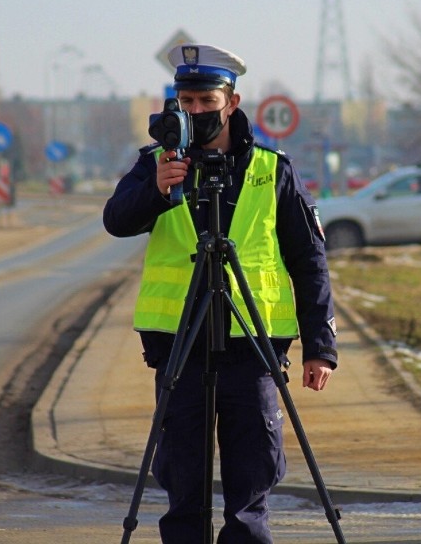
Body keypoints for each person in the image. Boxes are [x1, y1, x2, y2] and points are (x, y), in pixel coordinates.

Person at [103, 44, 338, 543]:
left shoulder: (273, 170)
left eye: (206, 101)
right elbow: (116, 221)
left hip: (252, 346)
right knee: (182, 482)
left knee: (251, 482)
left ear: (231, 102)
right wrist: (158, 191)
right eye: (184, 102)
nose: (194, 112)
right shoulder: (157, 164)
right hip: (179, 345)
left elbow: (309, 261)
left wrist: (322, 347)